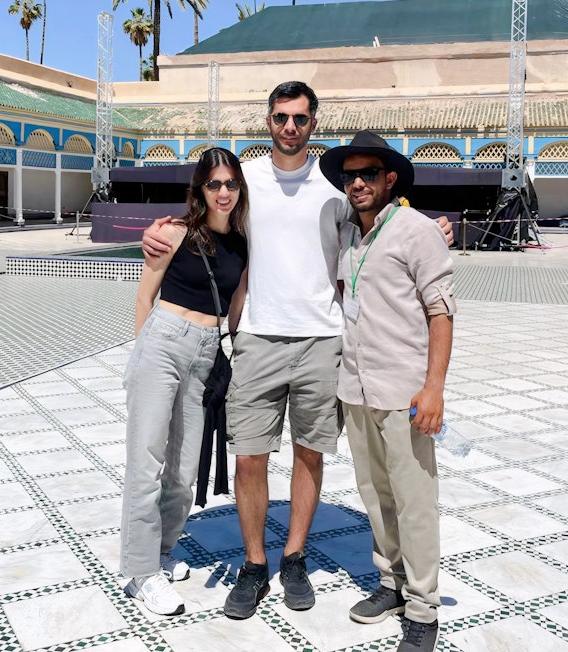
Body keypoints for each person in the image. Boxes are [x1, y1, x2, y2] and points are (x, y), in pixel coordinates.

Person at [142, 82, 454, 620]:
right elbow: (208, 211)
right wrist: (161, 230)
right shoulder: (248, 179)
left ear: (313, 124)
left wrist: (432, 224)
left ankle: (294, 558)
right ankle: (255, 563)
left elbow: (379, 222)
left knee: (311, 453)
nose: (290, 127)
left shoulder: (335, 188)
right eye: (281, 117)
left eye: (301, 118)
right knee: (249, 457)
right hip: (258, 337)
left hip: (322, 340)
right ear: (268, 120)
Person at [318, 131, 454, 652]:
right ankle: (391, 583)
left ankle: (423, 607)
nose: (357, 183)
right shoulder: (352, 236)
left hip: (404, 392)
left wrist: (434, 388)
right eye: (351, 175)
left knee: (415, 499)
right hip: (356, 388)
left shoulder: (417, 231)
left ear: (389, 178)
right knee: (375, 495)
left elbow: (441, 313)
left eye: (368, 173)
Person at [121, 147, 249, 617]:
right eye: (213, 184)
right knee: (146, 459)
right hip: (164, 341)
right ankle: (140, 572)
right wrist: (141, 357)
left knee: (183, 468)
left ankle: (161, 550)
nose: (223, 192)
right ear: (199, 189)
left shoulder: (241, 243)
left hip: (206, 350)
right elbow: (144, 295)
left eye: (230, 183)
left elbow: (235, 307)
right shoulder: (174, 233)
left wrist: (233, 353)